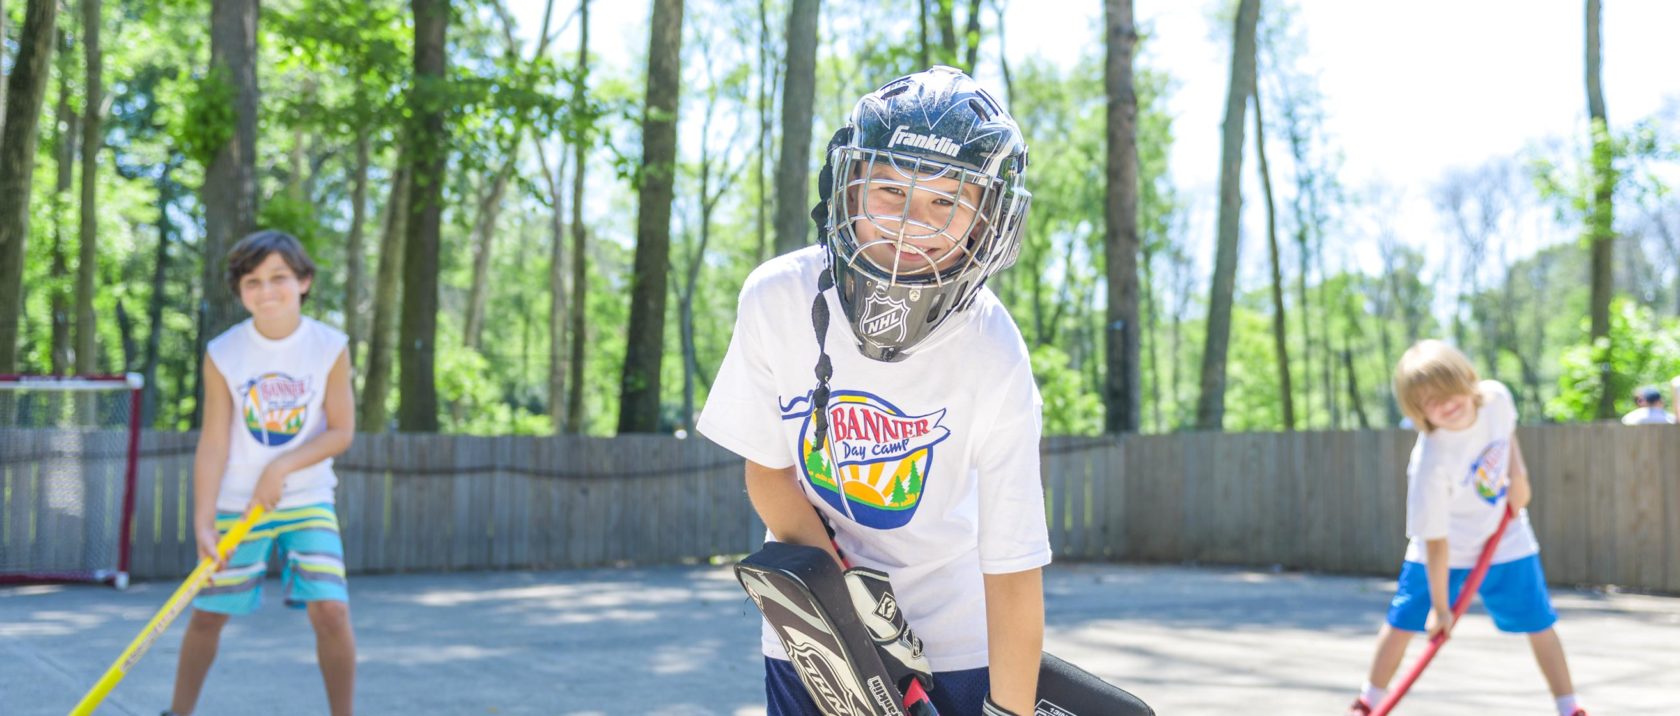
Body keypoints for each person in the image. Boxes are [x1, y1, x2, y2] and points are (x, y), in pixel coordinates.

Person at [697, 66, 1047, 716]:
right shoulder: (780, 297)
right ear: (848, 186)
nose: (913, 223)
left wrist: (1011, 710)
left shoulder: (992, 350)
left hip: (956, 646)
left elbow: (1013, 566)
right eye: (890, 189)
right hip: (818, 639)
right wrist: (852, 612)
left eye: (946, 201)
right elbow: (770, 473)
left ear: (987, 218)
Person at [165, 231, 357, 716]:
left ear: (304, 281)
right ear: (239, 290)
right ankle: (178, 713)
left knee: (331, 611)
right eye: (253, 281)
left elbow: (341, 431)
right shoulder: (224, 353)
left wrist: (282, 465)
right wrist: (204, 523)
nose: (266, 290)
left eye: (279, 278)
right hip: (236, 504)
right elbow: (213, 442)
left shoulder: (329, 346)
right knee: (208, 614)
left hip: (307, 500)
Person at [1345, 340, 1585, 716]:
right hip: (1443, 551)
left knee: (1539, 620)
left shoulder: (1496, 398)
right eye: (1429, 401)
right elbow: (1436, 543)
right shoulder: (1430, 462)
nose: (1445, 403)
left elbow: (1505, 435)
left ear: (1466, 379)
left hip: (1504, 537)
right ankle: (1368, 701)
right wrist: (1442, 609)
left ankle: (1569, 706)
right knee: (1404, 620)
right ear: (1417, 411)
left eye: (1447, 389)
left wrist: (1518, 474)